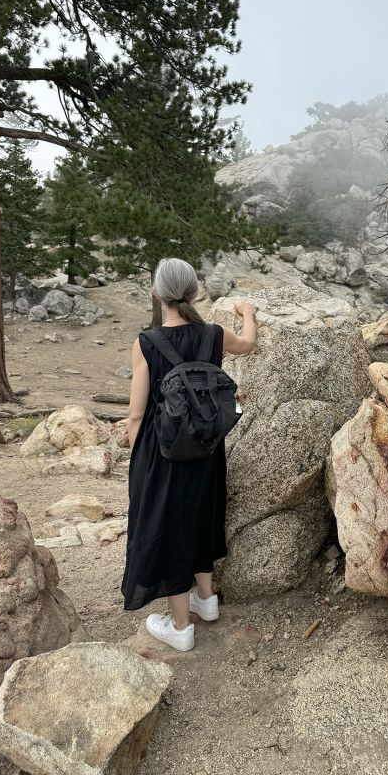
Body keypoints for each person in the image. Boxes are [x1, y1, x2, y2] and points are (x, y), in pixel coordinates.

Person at [121, 257, 258, 651]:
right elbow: (248, 345)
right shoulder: (213, 335)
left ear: (156, 293)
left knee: (168, 529)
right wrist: (247, 313)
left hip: (163, 453)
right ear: (194, 293)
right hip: (207, 448)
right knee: (202, 515)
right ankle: (207, 599)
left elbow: (136, 414)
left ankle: (181, 627)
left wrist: (139, 464)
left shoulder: (146, 343)